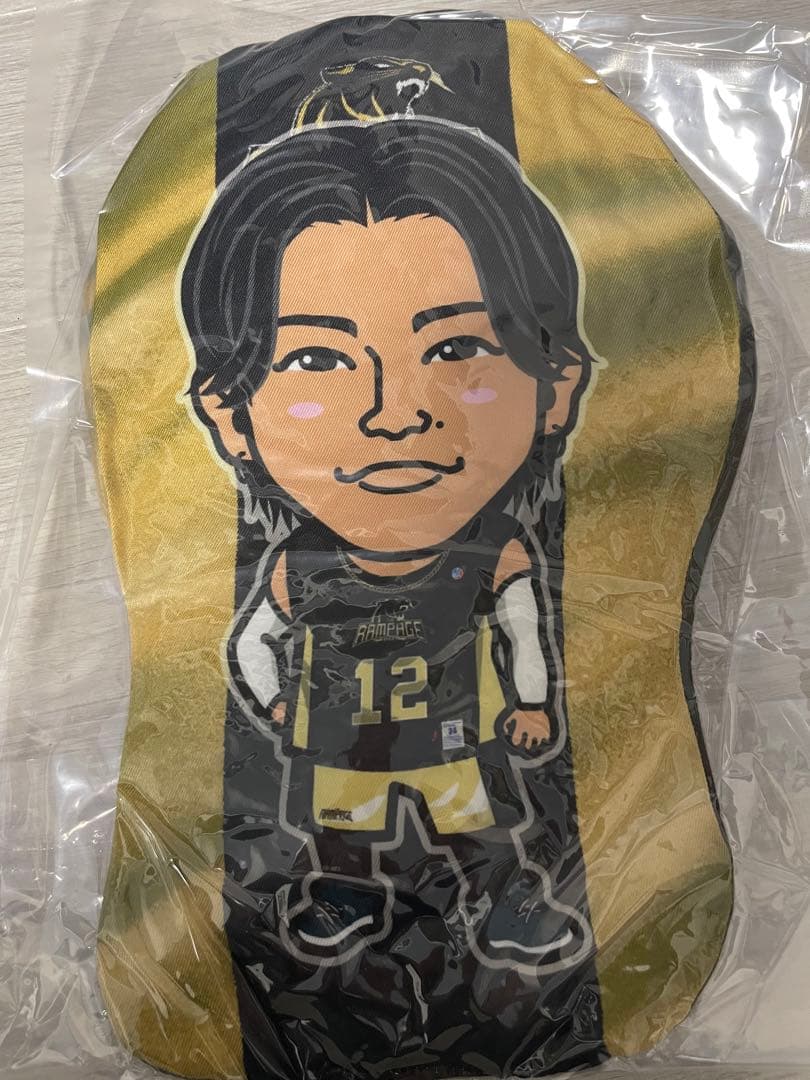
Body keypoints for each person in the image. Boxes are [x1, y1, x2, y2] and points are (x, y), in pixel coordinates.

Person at [180, 116, 597, 972]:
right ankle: (344, 898)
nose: (394, 414)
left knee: (481, 832)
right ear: (228, 414)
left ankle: (509, 906)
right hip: (339, 746)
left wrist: (529, 704)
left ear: (557, 387)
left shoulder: (497, 552)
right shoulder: (297, 568)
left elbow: (524, 631)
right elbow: (257, 642)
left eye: (456, 347)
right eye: (316, 361)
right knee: (342, 841)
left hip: (458, 739)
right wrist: (277, 705)